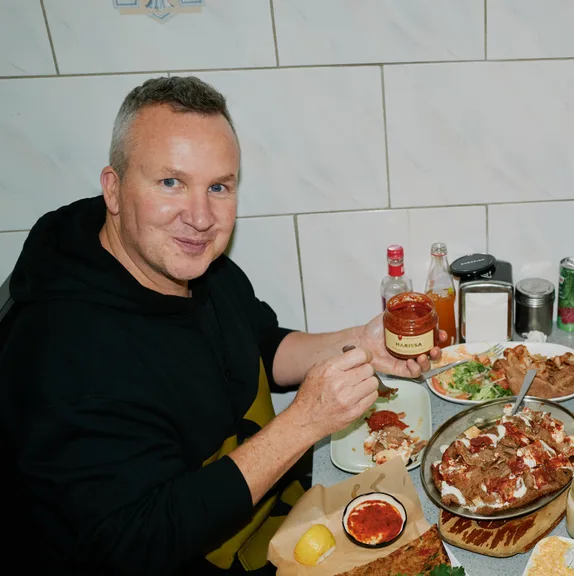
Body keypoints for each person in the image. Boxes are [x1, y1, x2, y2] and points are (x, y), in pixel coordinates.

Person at [0, 76, 442, 574]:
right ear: (115, 189)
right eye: (171, 182)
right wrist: (304, 422)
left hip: (282, 527)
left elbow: (263, 346)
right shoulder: (67, 357)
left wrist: (358, 343)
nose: (201, 216)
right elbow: (136, 542)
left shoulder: (186, 263)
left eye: (218, 187)